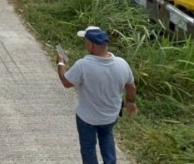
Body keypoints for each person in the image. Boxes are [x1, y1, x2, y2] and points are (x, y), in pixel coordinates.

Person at [58, 26, 137, 164]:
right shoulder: (122, 63)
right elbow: (131, 86)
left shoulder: (83, 65)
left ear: (91, 45)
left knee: (88, 147)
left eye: (86, 42)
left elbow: (66, 82)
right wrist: (130, 102)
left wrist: (60, 62)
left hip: (87, 118)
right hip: (110, 117)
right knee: (107, 138)